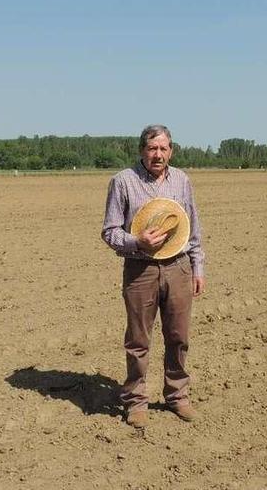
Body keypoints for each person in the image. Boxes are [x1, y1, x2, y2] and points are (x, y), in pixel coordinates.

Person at [101, 124, 206, 428]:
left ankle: (178, 397)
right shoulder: (123, 182)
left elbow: (193, 228)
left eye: (163, 148)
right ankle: (136, 401)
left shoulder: (182, 180)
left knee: (179, 337)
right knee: (138, 340)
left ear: (170, 151)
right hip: (140, 269)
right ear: (141, 151)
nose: (157, 154)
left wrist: (198, 267)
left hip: (179, 267)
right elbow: (109, 231)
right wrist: (137, 242)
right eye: (152, 148)